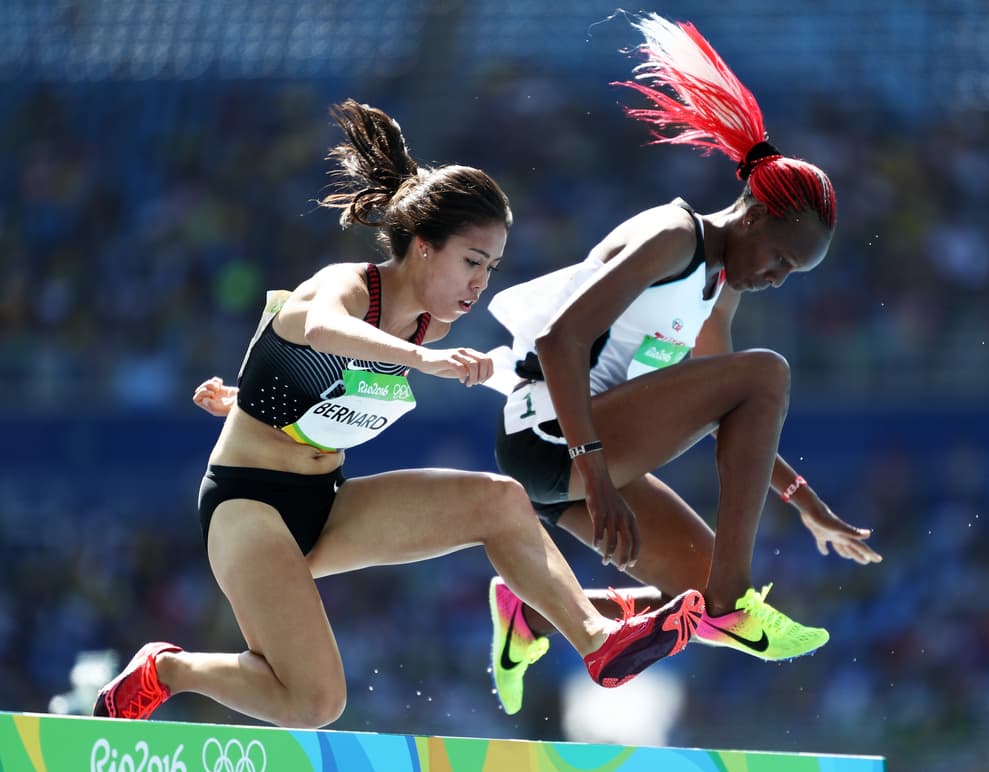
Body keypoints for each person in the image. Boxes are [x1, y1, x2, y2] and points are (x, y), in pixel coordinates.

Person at [94, 99, 705, 728]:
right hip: (249, 506)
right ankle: (168, 669)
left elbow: (312, 374)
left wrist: (245, 396)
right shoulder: (351, 285)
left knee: (499, 500)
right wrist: (421, 360)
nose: (480, 284)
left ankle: (597, 641)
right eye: (472, 262)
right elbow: (315, 326)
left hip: (327, 502)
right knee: (316, 703)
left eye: (491, 268)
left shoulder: (431, 326)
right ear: (423, 248)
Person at [482, 14, 882, 715]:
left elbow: (736, 419)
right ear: (752, 215)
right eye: (780, 259)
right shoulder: (673, 237)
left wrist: (805, 502)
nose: (778, 279)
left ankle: (531, 615)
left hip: (590, 454)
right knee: (769, 372)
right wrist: (597, 478)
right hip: (551, 440)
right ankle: (733, 600)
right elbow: (558, 341)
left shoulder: (720, 289)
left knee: (691, 596)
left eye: (793, 273)